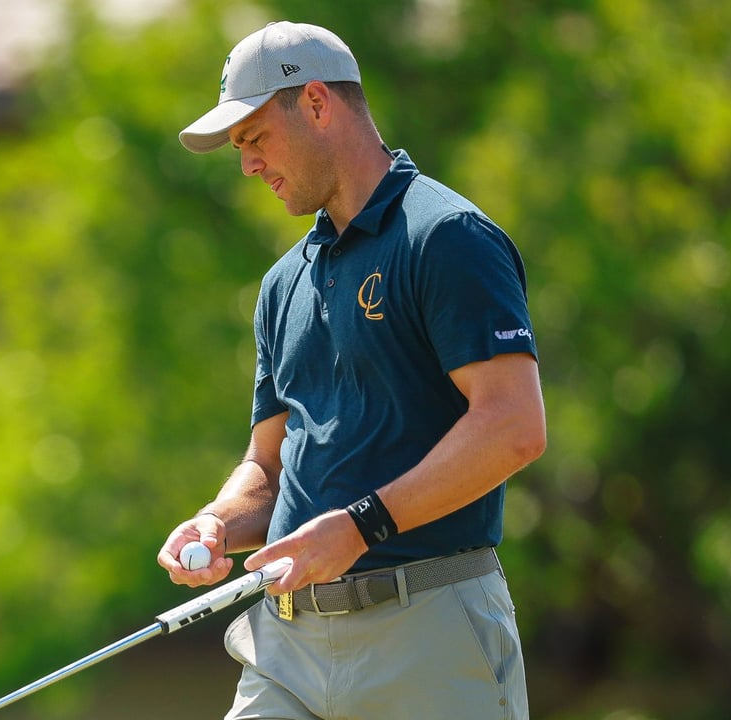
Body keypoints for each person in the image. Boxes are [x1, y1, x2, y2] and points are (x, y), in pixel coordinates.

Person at [156, 21, 547, 720]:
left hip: (428, 631)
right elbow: (267, 469)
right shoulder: (283, 284)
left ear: (314, 103)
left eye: (254, 139)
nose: (246, 165)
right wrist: (216, 522)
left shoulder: (447, 238)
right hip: (288, 648)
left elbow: (514, 425)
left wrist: (360, 526)